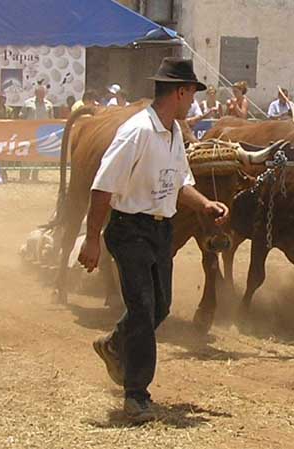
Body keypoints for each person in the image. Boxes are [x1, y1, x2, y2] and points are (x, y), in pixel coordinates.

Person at [78, 57, 230, 423]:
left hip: (161, 229)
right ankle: (136, 395)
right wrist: (92, 239)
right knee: (144, 310)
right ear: (179, 92)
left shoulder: (175, 133)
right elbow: (102, 188)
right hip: (130, 229)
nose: (193, 100)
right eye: (192, 92)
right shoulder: (137, 132)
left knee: (160, 306)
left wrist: (205, 204)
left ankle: (114, 344)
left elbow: (181, 183)